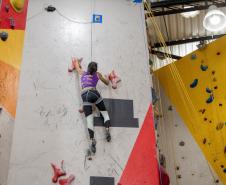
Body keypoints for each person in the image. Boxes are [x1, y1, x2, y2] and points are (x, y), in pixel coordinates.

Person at [72, 57, 111, 154]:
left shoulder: (82, 72)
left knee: (89, 120)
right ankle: (107, 131)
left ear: (88, 68)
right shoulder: (97, 74)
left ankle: (92, 140)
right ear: (95, 70)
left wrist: (77, 62)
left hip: (85, 95)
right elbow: (107, 83)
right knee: (105, 114)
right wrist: (107, 77)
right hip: (94, 93)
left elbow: (76, 64)